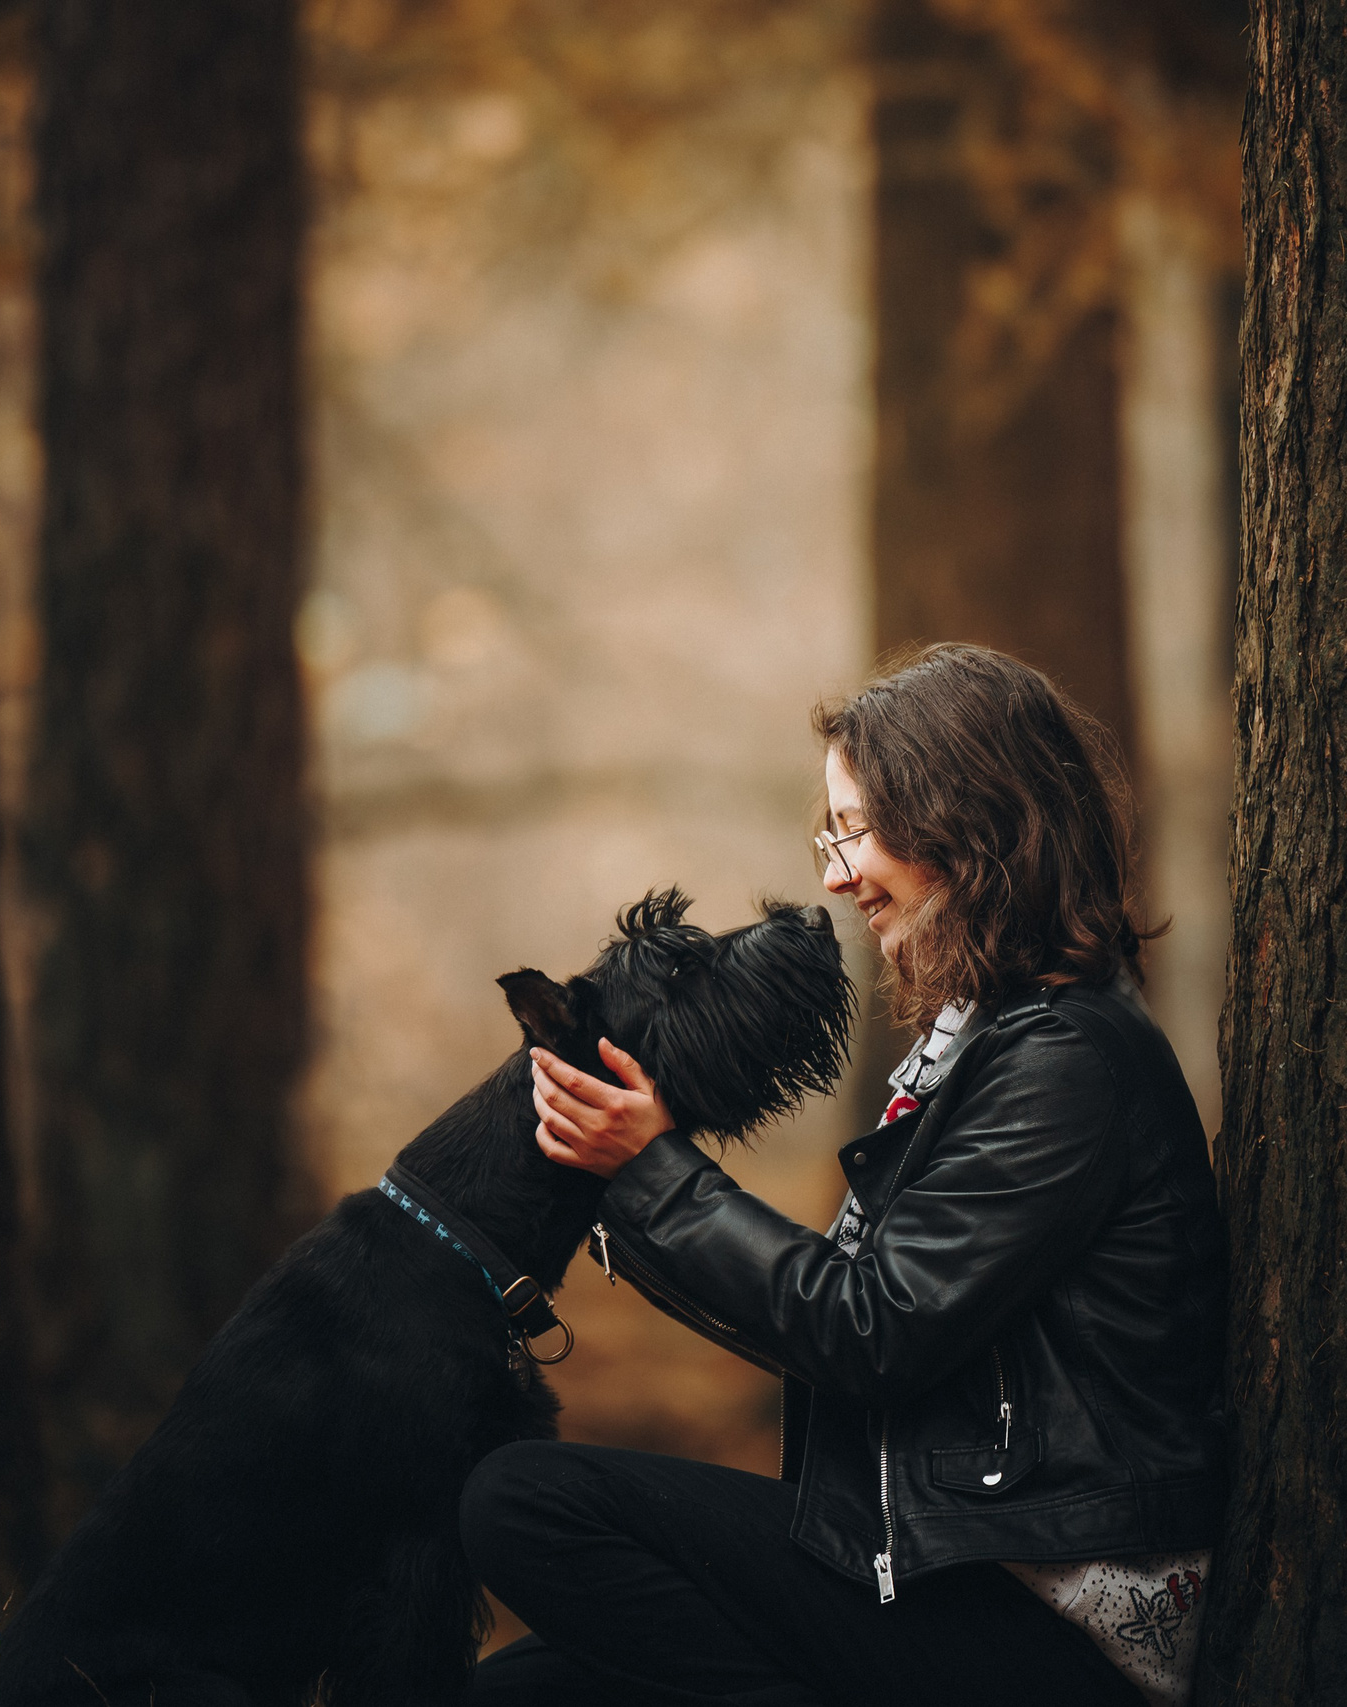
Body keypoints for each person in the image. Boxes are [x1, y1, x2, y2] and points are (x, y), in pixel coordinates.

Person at [461, 644, 1227, 1707]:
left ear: (965, 821)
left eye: (854, 831)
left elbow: (869, 1329)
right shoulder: (991, 1046)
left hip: (1047, 1623)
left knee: (524, 1502)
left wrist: (651, 1170)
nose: (833, 875)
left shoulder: (1070, 1061)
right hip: (946, 1570)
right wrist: (633, 1183)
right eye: (831, 837)